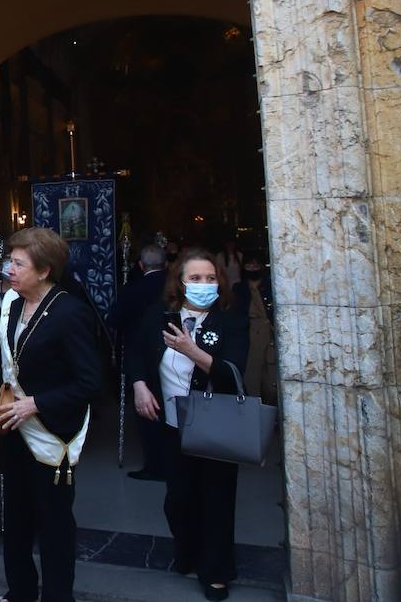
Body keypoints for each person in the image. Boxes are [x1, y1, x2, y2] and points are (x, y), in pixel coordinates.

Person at [0, 227, 99, 602]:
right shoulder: (13, 304)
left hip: (51, 434)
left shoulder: (70, 312)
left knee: (53, 525)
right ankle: (19, 591)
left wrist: (36, 403)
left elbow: (89, 383)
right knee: (15, 520)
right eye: (10, 261)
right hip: (13, 429)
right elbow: (4, 354)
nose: (10, 269)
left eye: (19, 263)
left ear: (44, 270)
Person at [127, 248, 250, 602]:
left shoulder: (231, 319)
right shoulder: (159, 316)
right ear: (179, 283)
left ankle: (216, 573)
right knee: (177, 500)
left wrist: (190, 349)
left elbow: (235, 374)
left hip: (217, 428)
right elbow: (135, 353)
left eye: (210, 278)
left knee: (217, 501)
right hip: (173, 425)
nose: (203, 285)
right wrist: (139, 385)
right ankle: (188, 552)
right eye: (195, 278)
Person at [108, 243, 169, 480]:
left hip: (139, 355)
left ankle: (154, 466)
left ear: (141, 265)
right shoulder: (173, 287)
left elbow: (114, 319)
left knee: (148, 412)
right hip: (172, 352)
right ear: (166, 264)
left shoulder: (131, 289)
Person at [233, 253, 277, 405]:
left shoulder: (271, 287)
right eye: (249, 265)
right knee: (251, 375)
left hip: (269, 333)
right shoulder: (239, 289)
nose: (252, 268)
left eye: (256, 265)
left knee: (271, 378)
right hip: (248, 335)